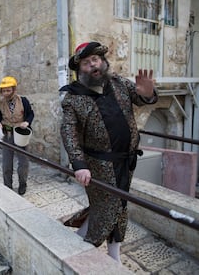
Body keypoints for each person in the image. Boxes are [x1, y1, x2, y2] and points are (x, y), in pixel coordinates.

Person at [60, 41, 158, 263]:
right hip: (98, 166)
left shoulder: (118, 83)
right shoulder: (73, 98)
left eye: (95, 59)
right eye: (86, 63)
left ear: (102, 62)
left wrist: (148, 94)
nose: (92, 65)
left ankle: (113, 254)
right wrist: (79, 164)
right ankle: (82, 250)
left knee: (118, 206)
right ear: (79, 70)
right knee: (108, 208)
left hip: (126, 162)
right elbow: (68, 132)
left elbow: (141, 97)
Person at [0, 76, 34, 195]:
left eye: (8, 90)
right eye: (4, 90)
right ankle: (7, 186)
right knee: (6, 164)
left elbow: (30, 114)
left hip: (21, 134)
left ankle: (22, 184)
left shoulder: (23, 101)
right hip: (7, 134)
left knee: (23, 162)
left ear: (14, 90)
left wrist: (27, 122)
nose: (6, 93)